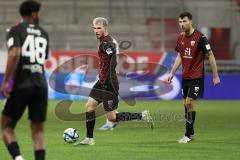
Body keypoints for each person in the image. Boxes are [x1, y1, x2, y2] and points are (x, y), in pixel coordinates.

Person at [76, 17, 154, 145]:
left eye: (99, 28)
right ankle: (89, 138)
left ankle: (142, 116)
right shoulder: (104, 41)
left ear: (105, 28)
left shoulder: (108, 43)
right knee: (89, 107)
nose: (96, 30)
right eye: (94, 28)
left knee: (112, 117)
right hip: (102, 81)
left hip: (109, 83)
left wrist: (107, 82)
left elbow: (113, 60)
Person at [1, 1, 49, 159]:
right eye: (39, 12)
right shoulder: (43, 33)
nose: (40, 16)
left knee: (7, 126)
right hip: (41, 85)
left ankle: (18, 158)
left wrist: (6, 80)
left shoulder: (15, 30)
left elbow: (14, 53)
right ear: (33, 14)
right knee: (38, 131)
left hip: (22, 84)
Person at [165, 12, 220, 144]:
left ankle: (187, 135)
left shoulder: (201, 37)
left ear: (190, 21)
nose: (182, 24)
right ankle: (192, 132)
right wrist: (172, 73)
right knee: (186, 104)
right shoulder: (181, 37)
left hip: (197, 76)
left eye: (184, 21)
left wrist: (215, 76)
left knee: (189, 102)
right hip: (185, 76)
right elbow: (179, 57)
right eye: (180, 22)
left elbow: (210, 55)